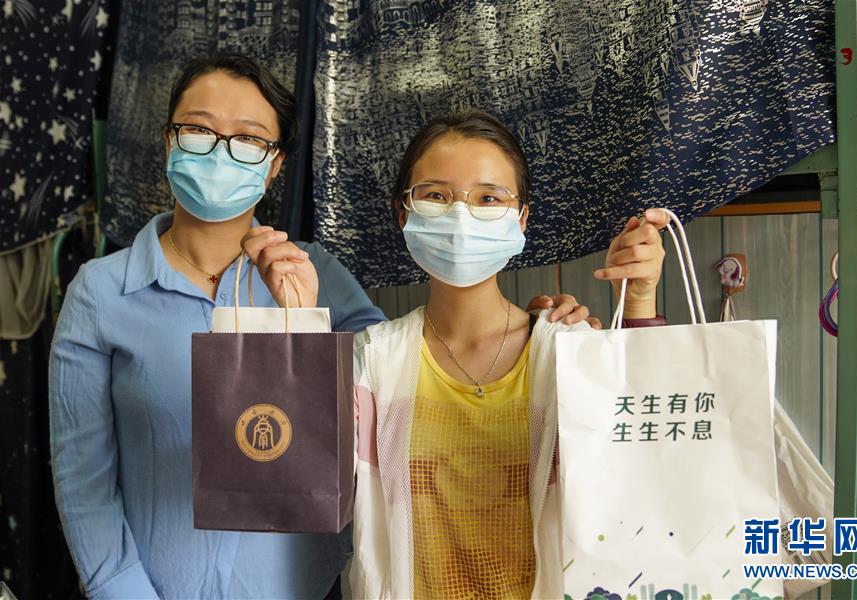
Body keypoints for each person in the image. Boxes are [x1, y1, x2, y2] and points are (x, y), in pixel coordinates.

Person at [49, 54, 592, 599]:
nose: (221, 151)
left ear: (275, 164)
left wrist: (542, 334)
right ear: (170, 140)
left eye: (248, 138)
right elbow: (82, 478)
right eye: (199, 130)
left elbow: (398, 396)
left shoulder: (316, 275)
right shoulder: (101, 293)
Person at [244, 109, 669, 599]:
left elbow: (643, 463)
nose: (461, 216)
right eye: (437, 196)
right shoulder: (370, 362)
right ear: (403, 213)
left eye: (488, 198)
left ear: (521, 217)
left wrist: (639, 301)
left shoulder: (567, 352)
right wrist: (298, 323)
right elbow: (294, 480)